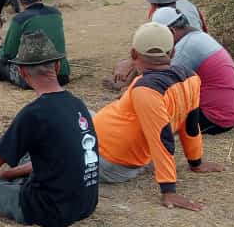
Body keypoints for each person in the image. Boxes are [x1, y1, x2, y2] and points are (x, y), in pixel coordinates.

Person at [0, 33, 98, 227]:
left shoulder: (34, 114)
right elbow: (60, 159)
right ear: (56, 66)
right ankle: (6, 193)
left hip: (47, 210)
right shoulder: (77, 104)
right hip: (85, 204)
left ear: (21, 71)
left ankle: (2, 203)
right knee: (33, 152)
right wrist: (8, 174)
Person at [94, 22, 224, 212]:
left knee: (52, 135)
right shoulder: (190, 77)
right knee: (81, 116)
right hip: (111, 146)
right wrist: (196, 162)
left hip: (109, 162)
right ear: (171, 53)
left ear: (133, 54)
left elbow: (160, 137)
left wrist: (168, 189)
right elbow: (191, 124)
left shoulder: (146, 90)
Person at [152, 7, 234, 134]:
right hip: (230, 112)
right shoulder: (198, 37)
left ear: (171, 31)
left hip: (214, 118)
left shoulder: (185, 48)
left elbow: (159, 83)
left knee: (151, 114)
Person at [0, 0, 70, 88]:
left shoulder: (20, 19)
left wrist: (0, 48)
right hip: (61, 75)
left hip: (35, 79)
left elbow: (8, 55)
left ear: (21, 2)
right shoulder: (56, 13)